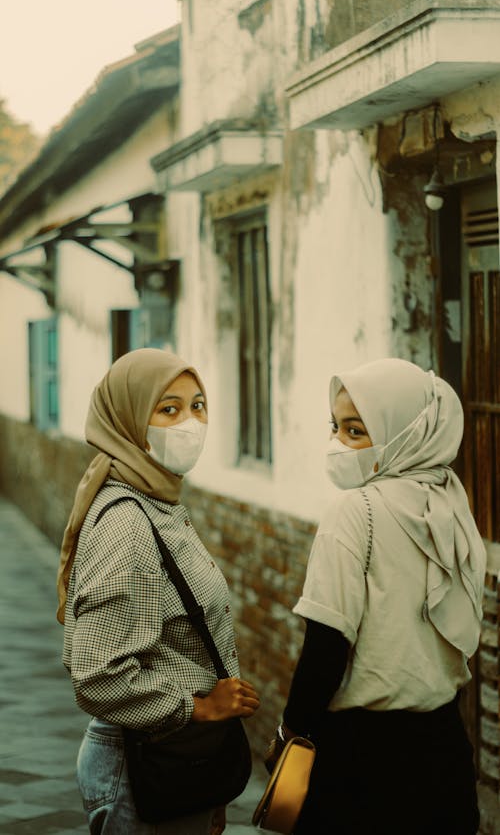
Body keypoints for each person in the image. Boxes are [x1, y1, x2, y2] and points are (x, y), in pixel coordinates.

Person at [266, 358, 486, 835]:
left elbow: (327, 644)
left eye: (356, 431)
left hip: (362, 759)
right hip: (445, 752)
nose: (338, 444)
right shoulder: (450, 502)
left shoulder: (355, 510)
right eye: (336, 427)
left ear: (402, 432)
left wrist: (291, 732)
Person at [56, 347, 259, 835]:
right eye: (168, 408)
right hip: (144, 763)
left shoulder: (158, 499)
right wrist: (198, 708)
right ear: (127, 419)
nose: (190, 422)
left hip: (177, 758)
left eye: (198, 406)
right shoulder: (128, 522)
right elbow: (98, 673)